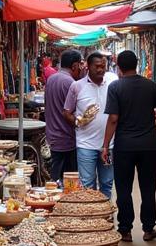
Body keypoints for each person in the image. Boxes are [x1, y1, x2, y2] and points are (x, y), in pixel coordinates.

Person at [102, 49, 156, 242]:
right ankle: (148, 228)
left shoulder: (115, 87)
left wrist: (105, 145)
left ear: (118, 66)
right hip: (148, 145)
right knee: (148, 188)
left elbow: (113, 119)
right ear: (137, 64)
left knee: (123, 188)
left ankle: (125, 229)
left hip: (124, 145)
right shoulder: (151, 86)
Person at [63, 51, 116, 197]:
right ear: (87, 67)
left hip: (108, 146)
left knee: (107, 183)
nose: (100, 70)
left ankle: (105, 217)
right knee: (87, 184)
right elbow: (66, 111)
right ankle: (89, 217)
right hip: (85, 145)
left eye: (103, 66)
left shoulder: (112, 84)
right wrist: (77, 121)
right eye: (97, 66)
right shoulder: (77, 87)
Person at [44, 49, 83, 183]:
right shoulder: (71, 83)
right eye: (80, 65)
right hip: (66, 138)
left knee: (55, 178)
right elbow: (73, 112)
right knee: (70, 180)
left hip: (53, 135)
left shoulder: (51, 79)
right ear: (74, 66)